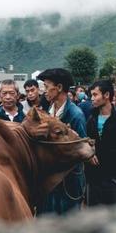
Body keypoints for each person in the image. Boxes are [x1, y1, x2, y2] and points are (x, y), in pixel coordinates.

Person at [36, 68, 87, 214]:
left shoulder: (75, 115)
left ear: (59, 88)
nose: (44, 91)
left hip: (68, 182)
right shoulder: (47, 111)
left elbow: (82, 151)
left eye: (46, 87)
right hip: (48, 181)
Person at [85, 80, 116, 206]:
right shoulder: (91, 120)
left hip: (115, 178)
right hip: (94, 178)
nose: (92, 98)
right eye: (91, 95)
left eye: (95, 95)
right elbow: (86, 143)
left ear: (106, 95)